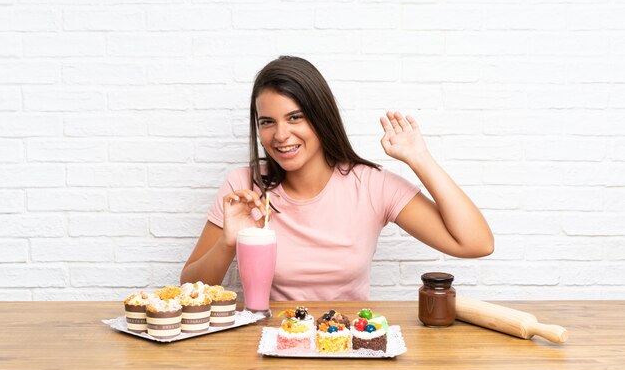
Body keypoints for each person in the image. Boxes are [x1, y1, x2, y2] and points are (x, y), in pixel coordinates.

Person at [181, 55, 494, 300]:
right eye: (267, 122)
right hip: (272, 346)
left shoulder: (372, 185)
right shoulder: (244, 187)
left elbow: (476, 243)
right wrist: (228, 241)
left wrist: (419, 159)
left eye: (295, 117)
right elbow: (190, 287)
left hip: (349, 345)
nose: (280, 135)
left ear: (320, 116)